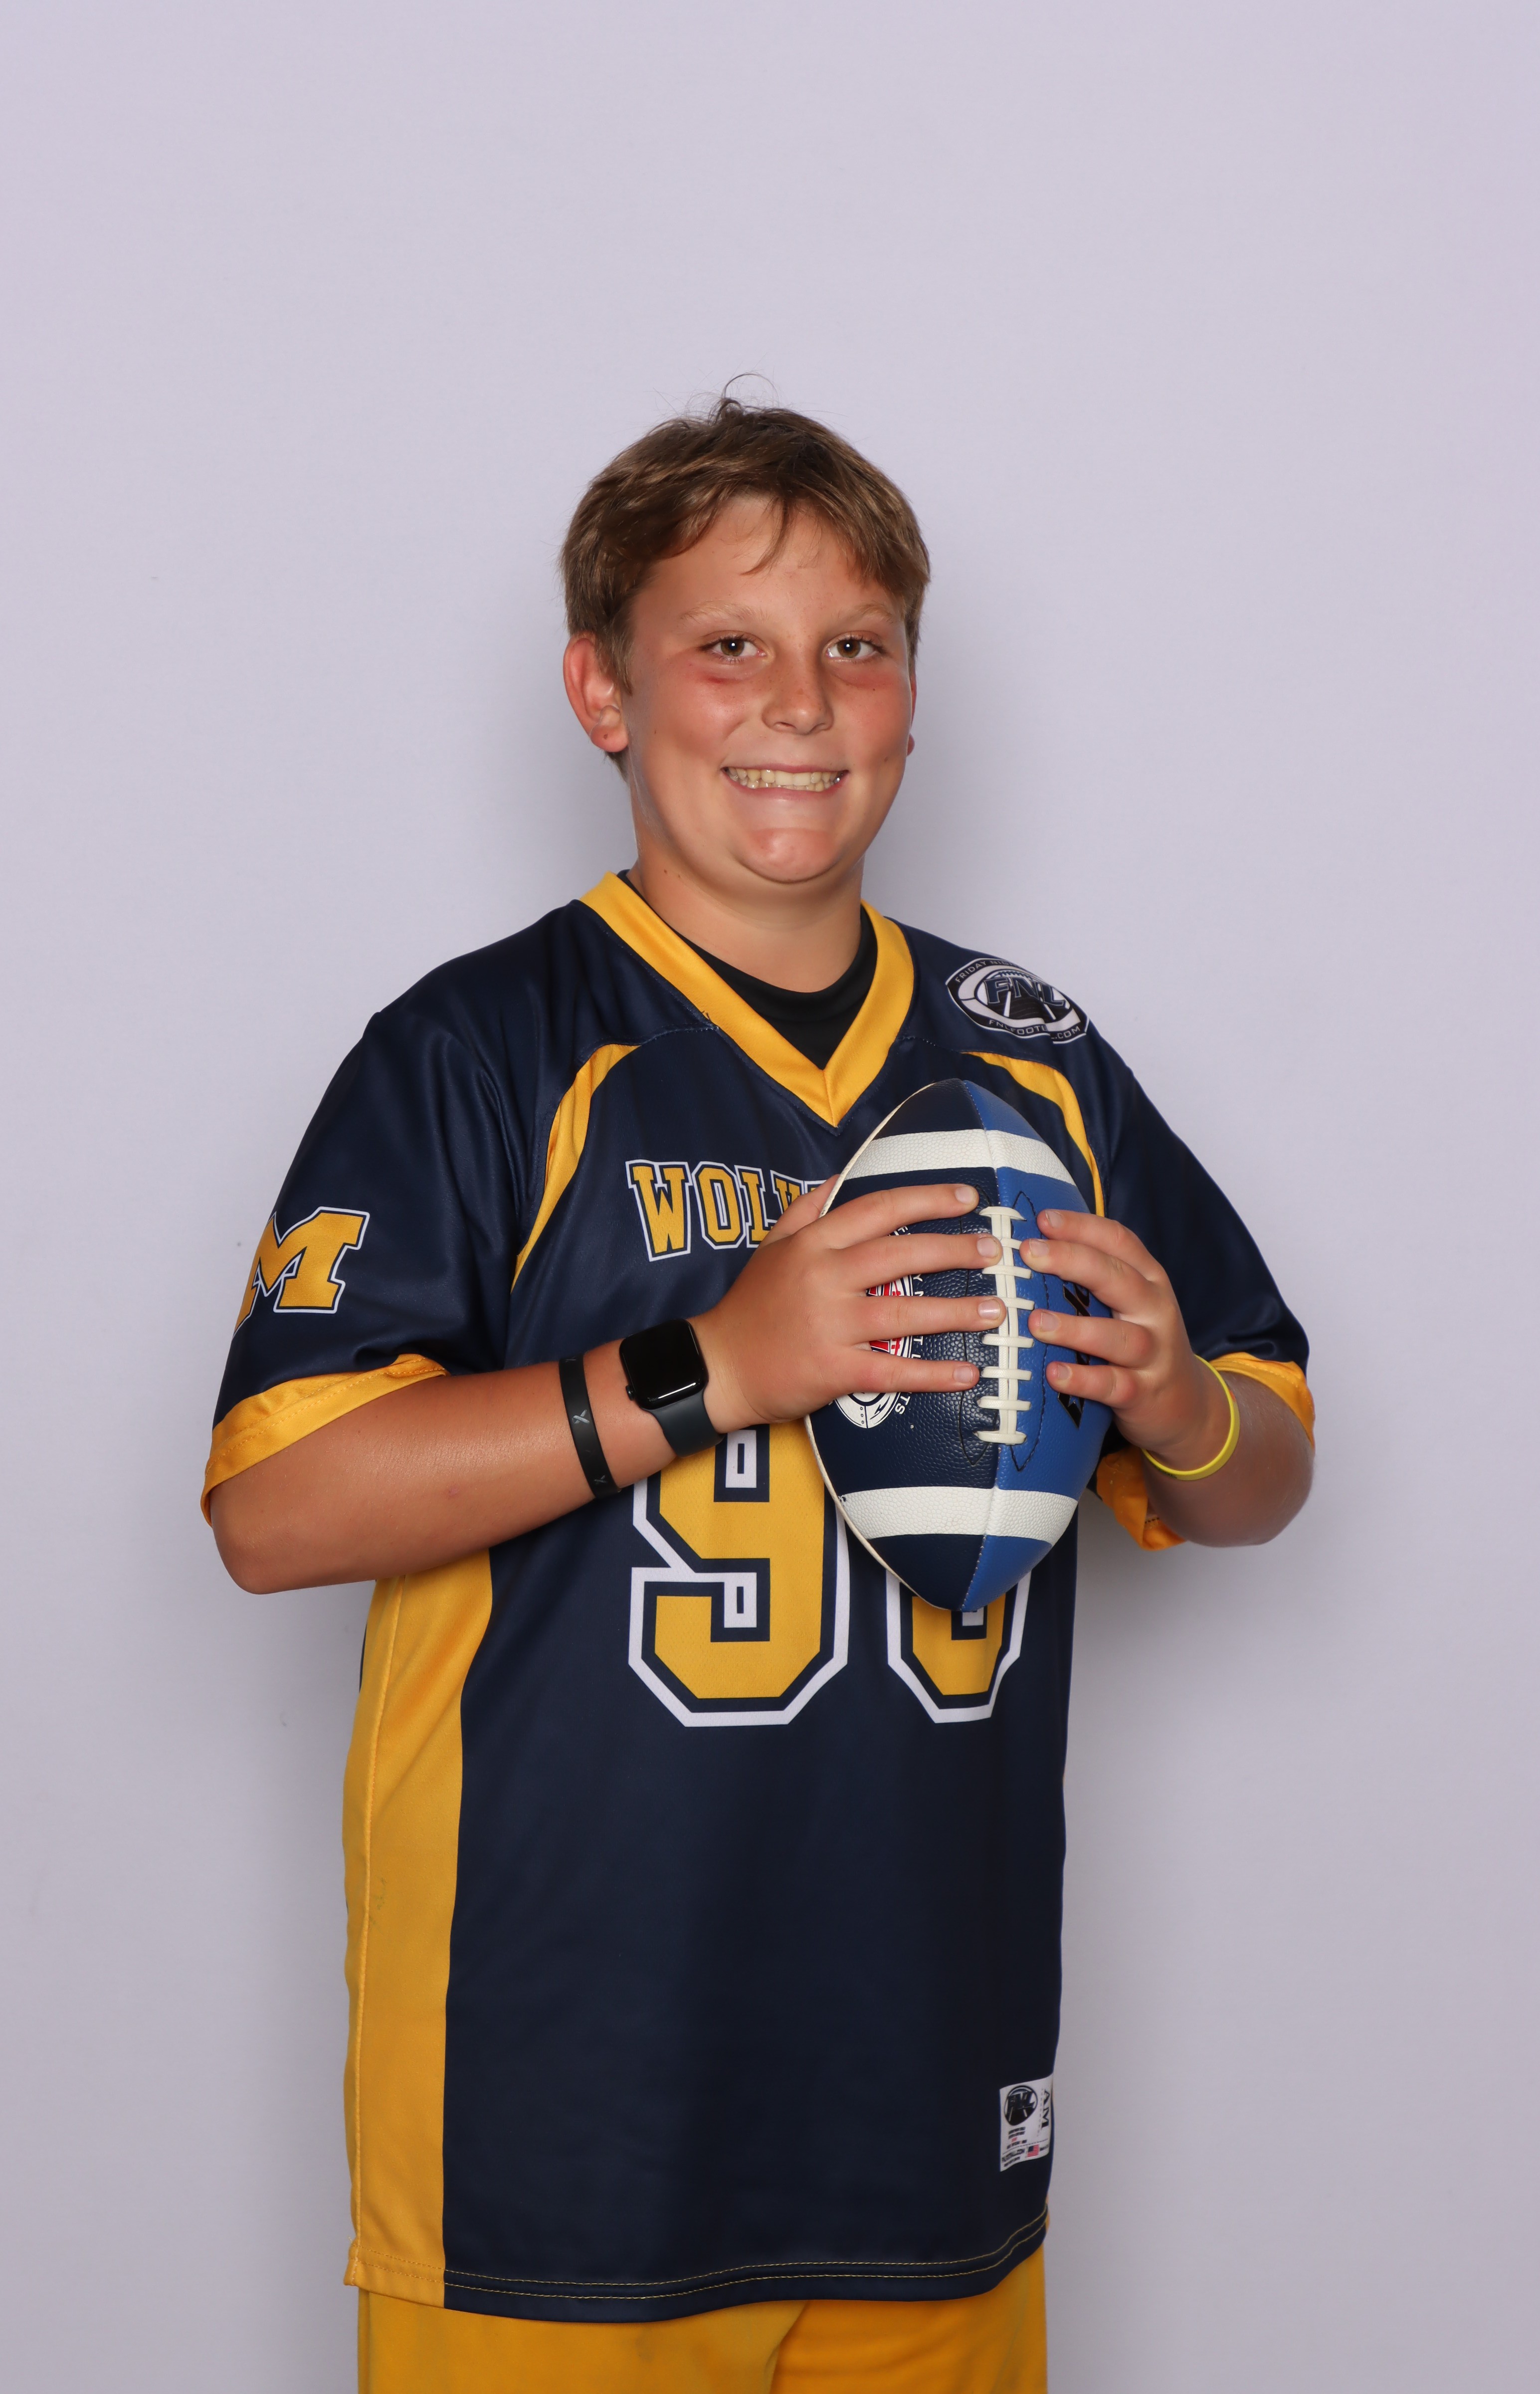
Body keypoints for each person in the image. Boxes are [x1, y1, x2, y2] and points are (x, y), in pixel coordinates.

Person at [205, 398, 1313, 2394]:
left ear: (912, 693)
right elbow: (276, 1514)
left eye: (855, 644)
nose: (799, 703)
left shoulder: (1031, 1062)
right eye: (727, 643)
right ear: (602, 689)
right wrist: (718, 1365)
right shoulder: (486, 1048)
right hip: (555, 2125)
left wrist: (1181, 1408)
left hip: (928, 2095)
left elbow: (1265, 1467)